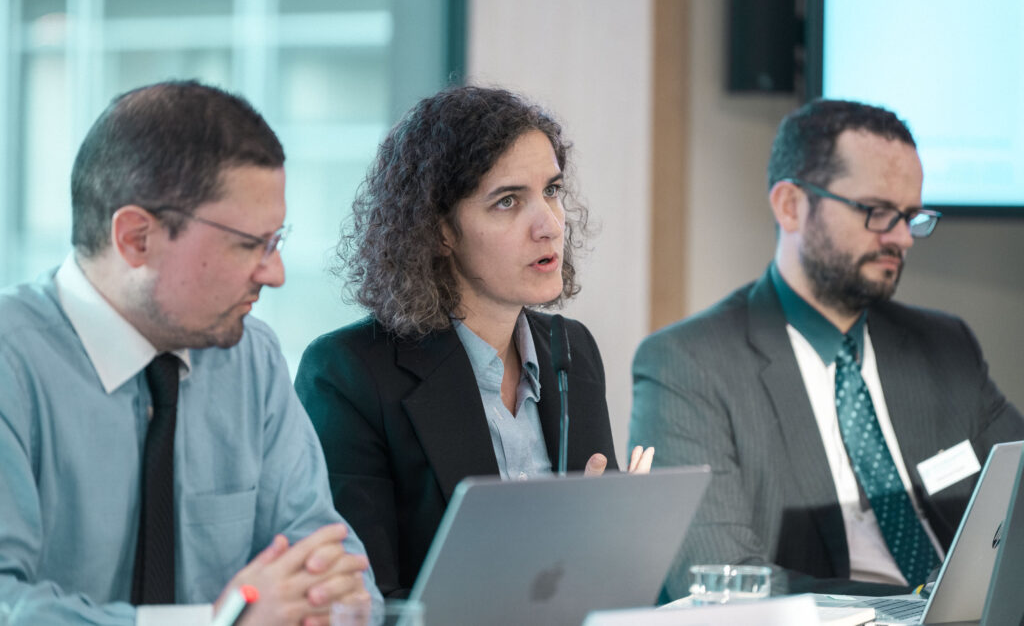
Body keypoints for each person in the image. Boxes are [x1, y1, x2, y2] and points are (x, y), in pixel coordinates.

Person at [0, 81, 381, 625]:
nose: (275, 273)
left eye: (276, 241)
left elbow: (333, 566)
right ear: (136, 239)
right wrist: (218, 622)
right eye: (250, 244)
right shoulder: (11, 364)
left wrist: (328, 606)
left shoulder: (251, 357)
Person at [629, 99, 1024, 599]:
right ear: (791, 206)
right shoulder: (688, 365)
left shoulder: (945, 346)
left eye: (912, 216)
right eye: (878, 212)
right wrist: (919, 606)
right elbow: (718, 579)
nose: (903, 238)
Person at [295, 85, 654, 598]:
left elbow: (594, 581)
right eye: (508, 202)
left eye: (552, 191)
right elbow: (363, 603)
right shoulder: (347, 373)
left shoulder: (571, 350)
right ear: (440, 231)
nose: (550, 225)